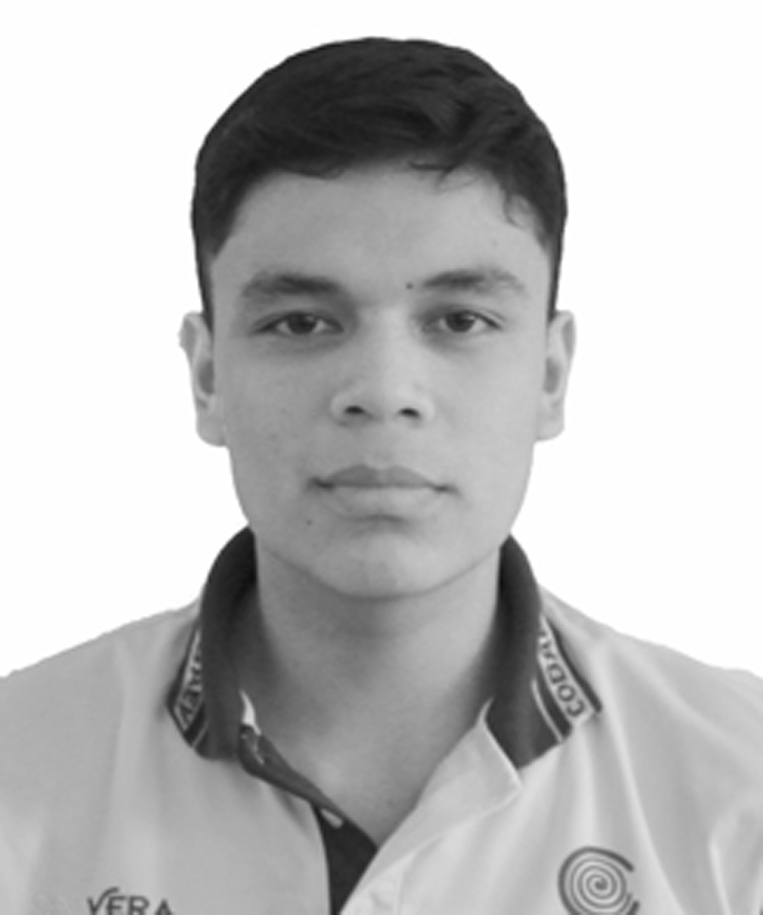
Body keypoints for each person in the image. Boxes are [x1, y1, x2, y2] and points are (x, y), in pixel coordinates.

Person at [1, 37, 761, 915]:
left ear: (550, 375)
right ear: (207, 378)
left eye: (460, 319)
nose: (383, 389)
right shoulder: (20, 775)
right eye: (299, 323)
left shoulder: (737, 787)